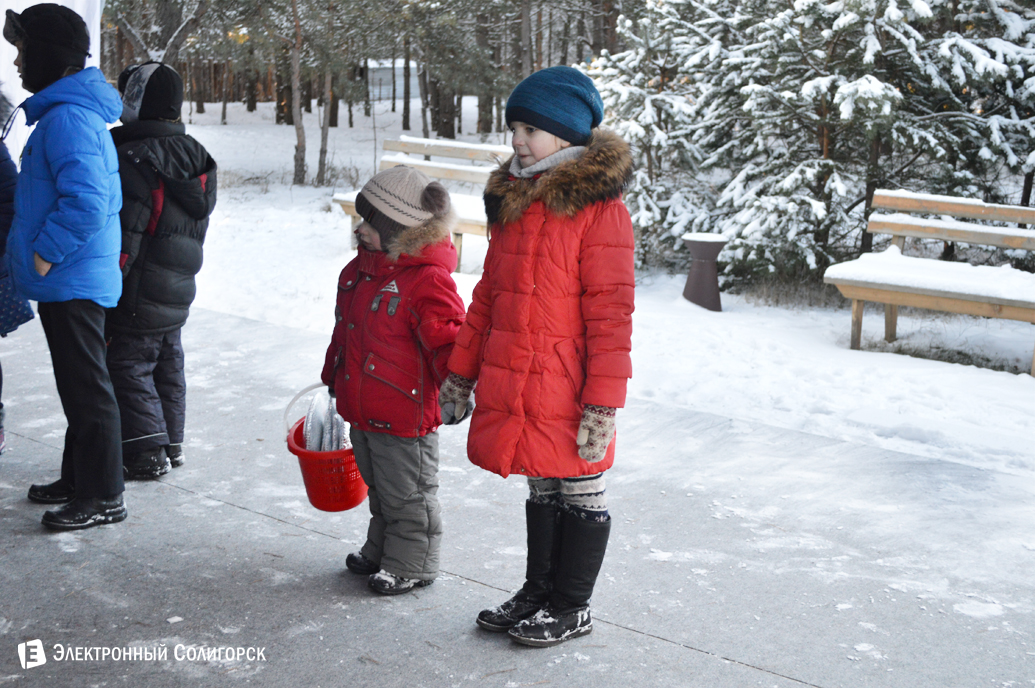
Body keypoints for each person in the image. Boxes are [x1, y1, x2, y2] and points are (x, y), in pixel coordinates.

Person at [439, 66, 635, 647]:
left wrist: (602, 404)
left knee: (579, 485)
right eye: (513, 128)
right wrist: (460, 373)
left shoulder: (600, 210)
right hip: (519, 376)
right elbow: (488, 298)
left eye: (530, 128)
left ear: (567, 133)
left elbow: (611, 314)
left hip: (570, 383)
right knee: (541, 485)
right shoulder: (516, 203)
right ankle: (537, 593)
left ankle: (572, 605)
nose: (517, 139)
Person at [4, 4, 127, 530]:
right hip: (68, 278)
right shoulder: (64, 114)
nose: (16, 62)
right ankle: (79, 477)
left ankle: (103, 495)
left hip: (71, 275)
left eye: (24, 52)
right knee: (76, 384)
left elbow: (86, 200)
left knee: (87, 387)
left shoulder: (69, 119)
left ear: (51, 60)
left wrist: (44, 252)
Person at [321, 165, 466, 595]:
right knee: (380, 489)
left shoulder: (427, 280)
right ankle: (383, 551)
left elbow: (447, 342)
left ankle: (412, 565)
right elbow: (345, 331)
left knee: (410, 496)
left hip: (405, 412)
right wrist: (333, 375)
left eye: (371, 223)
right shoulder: (359, 272)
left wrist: (458, 387)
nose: (360, 230)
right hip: (363, 405)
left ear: (399, 230)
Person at [106, 61, 217, 479]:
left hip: (139, 285)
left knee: (127, 364)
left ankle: (145, 450)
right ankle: (171, 441)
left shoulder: (136, 157)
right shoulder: (194, 154)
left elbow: (128, 232)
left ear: (137, 101)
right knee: (167, 363)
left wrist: (109, 283)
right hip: (176, 284)